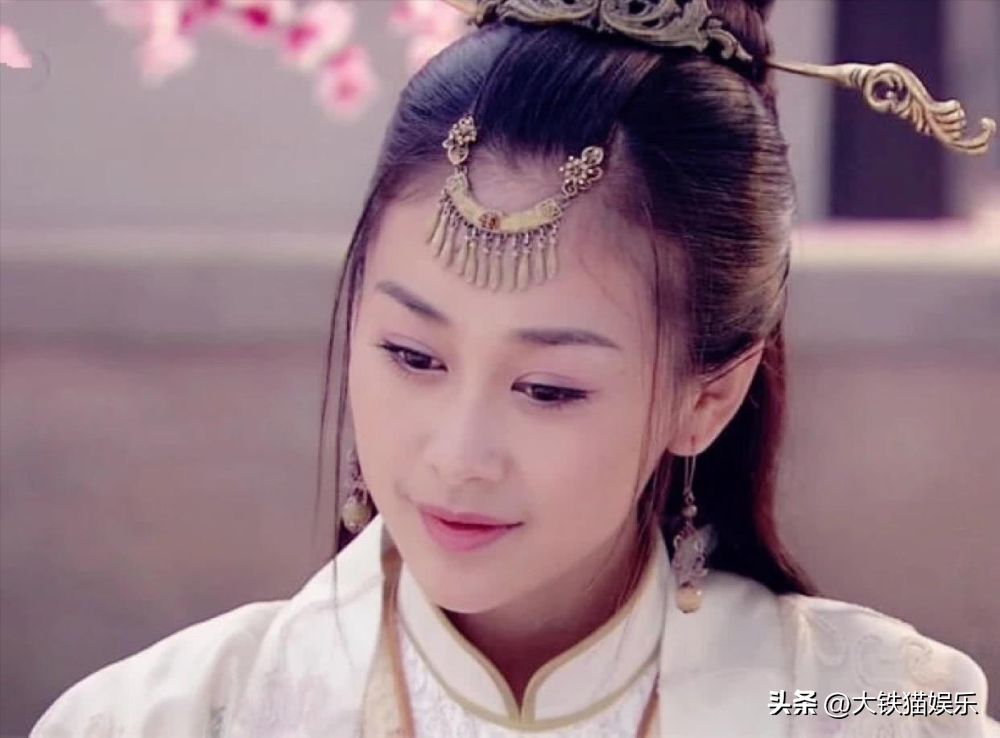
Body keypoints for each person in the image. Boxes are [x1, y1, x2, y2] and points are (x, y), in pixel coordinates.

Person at [30, 1, 998, 736]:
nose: (458, 456)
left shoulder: (876, 708)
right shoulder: (162, 717)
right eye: (413, 355)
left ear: (707, 396)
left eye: (547, 388)